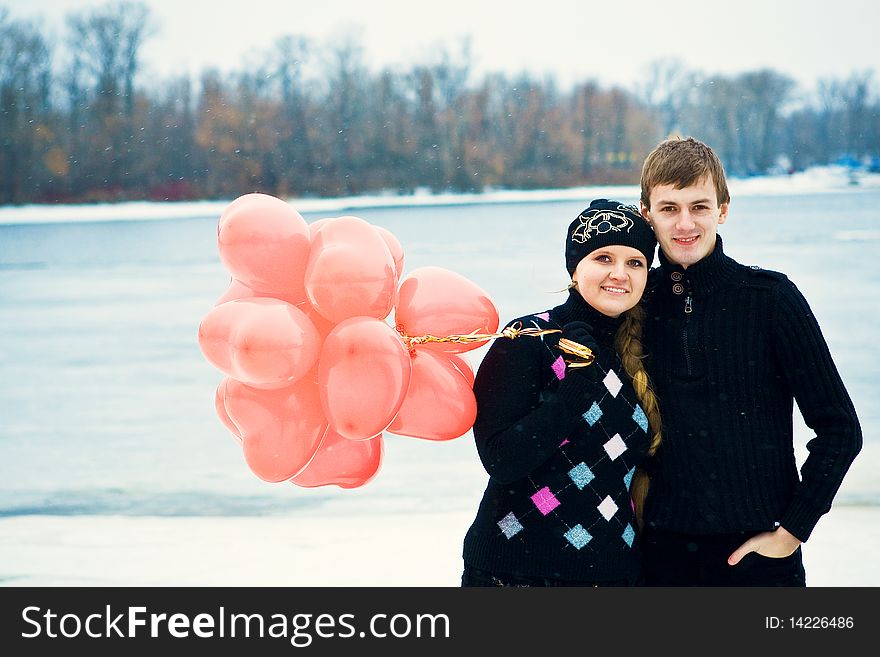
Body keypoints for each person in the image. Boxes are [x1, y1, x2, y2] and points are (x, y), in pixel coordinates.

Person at [637, 136, 862, 586]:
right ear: (647, 213)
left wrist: (794, 529)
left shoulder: (772, 299)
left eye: (699, 207)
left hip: (760, 560)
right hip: (657, 557)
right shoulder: (635, 305)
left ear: (723, 209)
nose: (686, 223)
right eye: (669, 208)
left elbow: (839, 429)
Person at [460, 199, 660, 586]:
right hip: (514, 574)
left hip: (611, 576)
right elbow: (501, 459)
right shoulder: (530, 339)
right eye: (603, 258)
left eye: (634, 262)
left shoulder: (640, 354)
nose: (619, 274)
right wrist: (574, 391)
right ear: (574, 267)